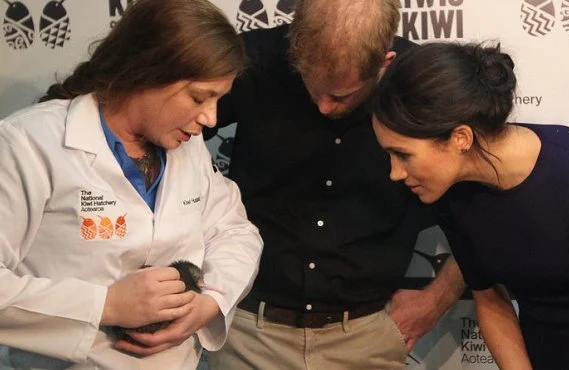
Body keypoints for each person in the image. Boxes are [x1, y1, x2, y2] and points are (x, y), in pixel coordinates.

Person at [0, 0, 263, 368]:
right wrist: (105, 305)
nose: (211, 117)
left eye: (219, 99)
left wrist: (211, 301)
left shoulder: (186, 146)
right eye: (200, 97)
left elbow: (235, 230)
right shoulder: (28, 144)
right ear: (147, 72)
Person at [205, 1, 465, 369]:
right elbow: (162, 140)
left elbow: (487, 199)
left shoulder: (424, 82)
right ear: (294, 48)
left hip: (368, 337)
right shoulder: (252, 60)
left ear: (385, 63)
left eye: (342, 95)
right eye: (313, 89)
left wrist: (440, 295)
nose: (324, 107)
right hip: (248, 334)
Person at [371, 41, 569, 370]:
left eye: (403, 154)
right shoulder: (451, 196)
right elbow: (490, 300)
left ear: (460, 138)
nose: (395, 172)